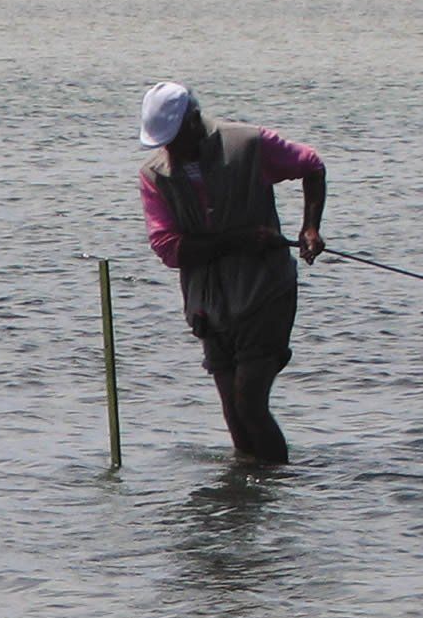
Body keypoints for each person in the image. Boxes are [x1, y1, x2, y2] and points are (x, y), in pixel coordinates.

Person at [137, 81, 326, 464]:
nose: (169, 150)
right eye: (163, 143)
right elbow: (169, 248)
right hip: (208, 304)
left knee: (250, 404)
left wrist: (310, 228)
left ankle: (276, 488)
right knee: (234, 415)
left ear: (193, 121)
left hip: (264, 292)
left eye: (174, 139)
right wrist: (240, 239)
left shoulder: (248, 144)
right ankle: (245, 502)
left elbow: (311, 165)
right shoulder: (155, 176)